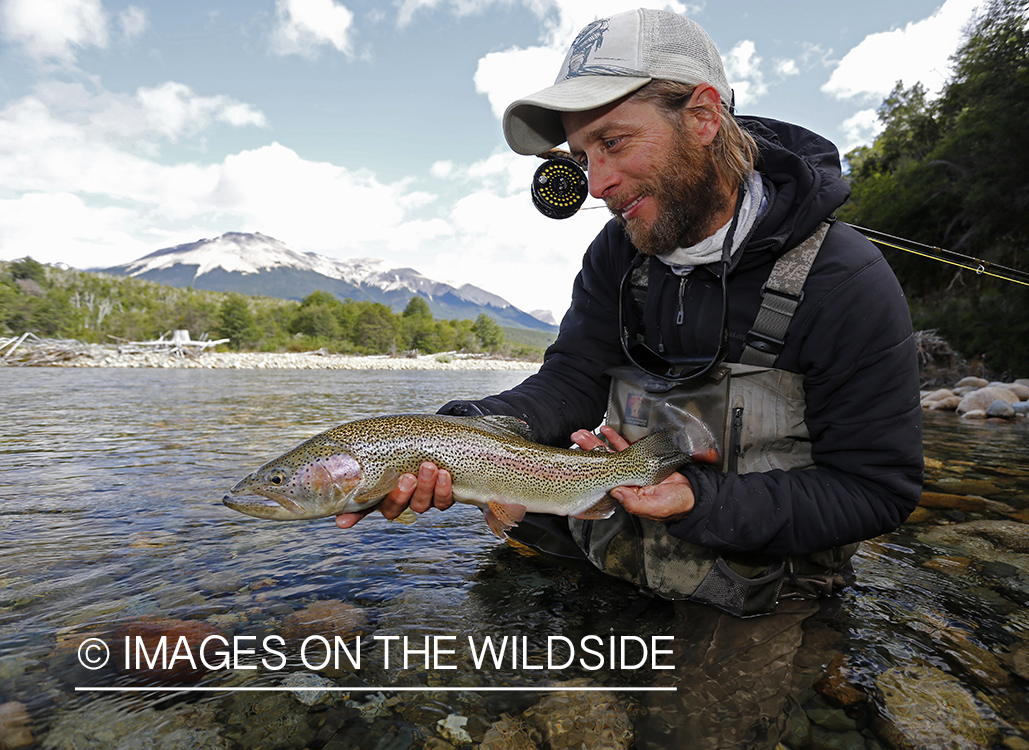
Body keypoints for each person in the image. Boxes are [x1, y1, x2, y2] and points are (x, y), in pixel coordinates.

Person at [339, 9, 922, 743]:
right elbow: (570, 382)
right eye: (582, 157)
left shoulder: (844, 280)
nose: (597, 185)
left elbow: (879, 488)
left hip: (760, 564)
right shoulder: (617, 255)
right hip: (613, 507)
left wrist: (698, 500)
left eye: (612, 143)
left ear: (703, 116)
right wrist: (466, 435)